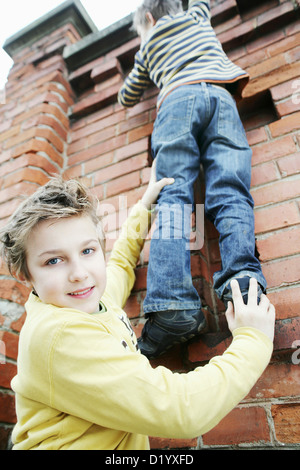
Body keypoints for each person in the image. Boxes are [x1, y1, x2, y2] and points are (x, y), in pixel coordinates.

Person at [0, 169, 275, 450]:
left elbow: (119, 264)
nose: (79, 274)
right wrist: (253, 340)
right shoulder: (58, 335)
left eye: (87, 251)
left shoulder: (91, 299)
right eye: (54, 261)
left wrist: (145, 206)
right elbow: (181, 410)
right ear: (27, 276)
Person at [118, 0, 267, 358]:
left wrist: (145, 53)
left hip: (175, 101)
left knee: (173, 194)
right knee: (231, 190)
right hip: (220, 95)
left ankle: (172, 306)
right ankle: (243, 282)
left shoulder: (148, 46)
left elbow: (127, 96)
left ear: (149, 19)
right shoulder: (197, 15)